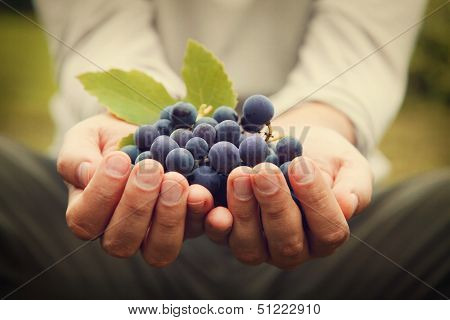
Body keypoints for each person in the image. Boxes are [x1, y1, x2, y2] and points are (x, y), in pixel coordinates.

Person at [0, 0, 448, 299]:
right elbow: (97, 20)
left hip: (334, 232)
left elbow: (363, 41)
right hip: (101, 226)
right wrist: (120, 117)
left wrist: (328, 118)